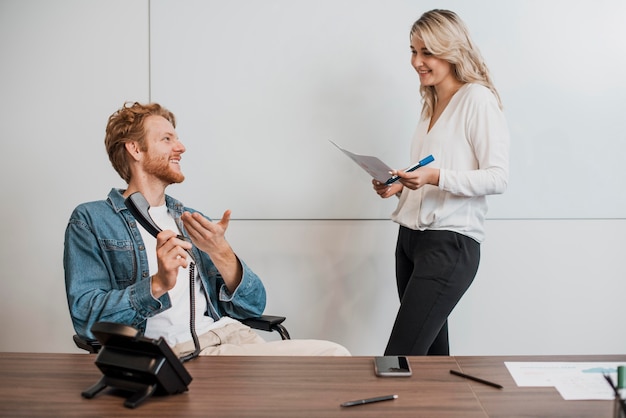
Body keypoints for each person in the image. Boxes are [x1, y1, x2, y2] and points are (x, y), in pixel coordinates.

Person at [64, 101, 350, 358]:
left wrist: (221, 251)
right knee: (333, 357)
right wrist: (158, 284)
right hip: (181, 354)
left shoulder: (190, 221)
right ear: (135, 149)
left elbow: (253, 307)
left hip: (231, 338)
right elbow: (88, 321)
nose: (181, 147)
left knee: (333, 358)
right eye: (167, 139)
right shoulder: (92, 220)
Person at [372, 9, 509, 356]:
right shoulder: (430, 103)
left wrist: (434, 176)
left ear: (452, 51)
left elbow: (497, 177)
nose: (417, 61)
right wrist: (400, 184)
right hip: (410, 240)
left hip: (449, 244)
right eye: (413, 51)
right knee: (430, 361)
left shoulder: (477, 99)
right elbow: (433, 165)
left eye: (427, 52)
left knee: (398, 358)